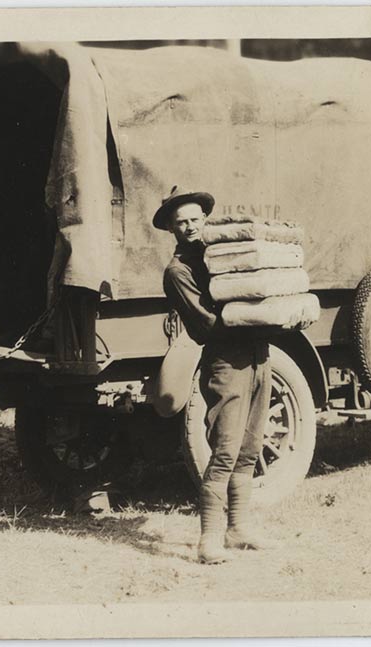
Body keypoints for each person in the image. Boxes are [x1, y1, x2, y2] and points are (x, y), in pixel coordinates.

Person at [154, 186, 275, 565]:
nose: (189, 227)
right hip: (226, 360)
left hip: (259, 356)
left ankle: (237, 529)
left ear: (204, 220)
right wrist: (247, 314)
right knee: (224, 450)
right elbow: (206, 327)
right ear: (171, 229)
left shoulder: (224, 256)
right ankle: (208, 539)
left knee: (250, 447)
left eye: (194, 219)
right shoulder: (178, 272)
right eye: (181, 223)